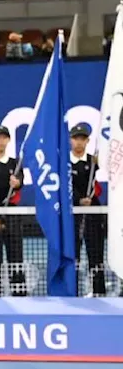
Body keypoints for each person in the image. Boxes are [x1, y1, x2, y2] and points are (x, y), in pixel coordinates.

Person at [0, 124, 27, 296]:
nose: (1, 141)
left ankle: (19, 294)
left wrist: (17, 183)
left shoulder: (15, 164)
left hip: (12, 217)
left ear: (8, 140)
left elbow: (20, 181)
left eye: (4, 137)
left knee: (16, 258)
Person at [68, 122, 106, 296]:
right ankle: (72, 292)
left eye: (82, 139)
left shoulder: (93, 162)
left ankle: (99, 293)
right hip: (72, 215)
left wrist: (89, 201)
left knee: (96, 255)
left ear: (88, 141)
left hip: (92, 214)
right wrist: (78, 200)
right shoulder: (64, 164)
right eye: (76, 139)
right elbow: (65, 187)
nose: (79, 142)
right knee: (73, 256)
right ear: (70, 140)